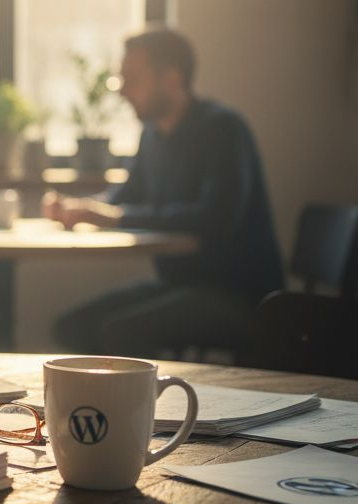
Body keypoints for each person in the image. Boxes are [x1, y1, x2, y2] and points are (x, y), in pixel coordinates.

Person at [46, 27, 284, 358]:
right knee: (71, 326)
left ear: (171, 79)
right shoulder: (153, 134)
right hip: (179, 283)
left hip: (235, 292)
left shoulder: (223, 129)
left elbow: (216, 216)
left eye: (132, 79)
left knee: (117, 333)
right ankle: (110, 406)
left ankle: (145, 406)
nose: (122, 91)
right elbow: (127, 195)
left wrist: (116, 216)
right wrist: (81, 208)